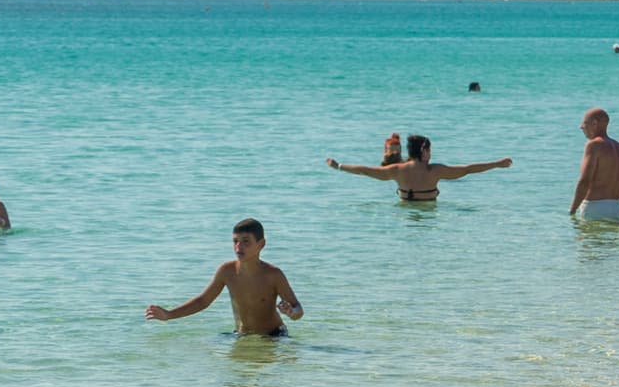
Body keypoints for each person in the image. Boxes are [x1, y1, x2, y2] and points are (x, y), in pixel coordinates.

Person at [144, 218, 303, 337]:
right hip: (241, 335)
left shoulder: (273, 275)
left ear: (261, 244)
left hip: (273, 336)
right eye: (235, 241)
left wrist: (291, 312)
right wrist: (169, 315)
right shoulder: (227, 271)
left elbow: (298, 309)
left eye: (245, 242)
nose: (238, 247)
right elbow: (203, 301)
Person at [326, 134, 512, 202]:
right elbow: (468, 169)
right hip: (429, 216)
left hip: (405, 213)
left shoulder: (397, 170)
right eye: (430, 151)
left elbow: (365, 170)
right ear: (424, 152)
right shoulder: (435, 171)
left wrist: (339, 166)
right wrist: (497, 164)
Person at [570, 108, 619, 221]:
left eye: (584, 123)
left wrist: (572, 210)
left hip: (594, 208)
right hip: (615, 208)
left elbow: (585, 181)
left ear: (594, 123)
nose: (581, 127)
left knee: (588, 238)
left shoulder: (593, 145)